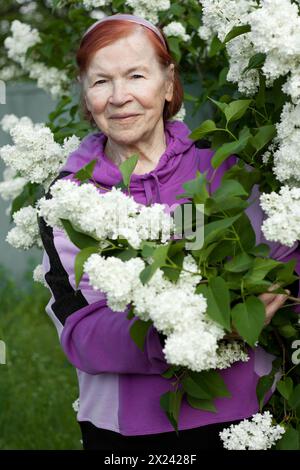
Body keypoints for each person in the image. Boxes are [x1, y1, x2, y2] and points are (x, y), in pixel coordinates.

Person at [37, 13, 300, 451]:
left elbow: (281, 252)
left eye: (136, 75)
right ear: (85, 91)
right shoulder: (68, 199)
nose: (120, 97)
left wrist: (269, 289)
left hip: (247, 416)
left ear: (168, 81)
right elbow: (80, 330)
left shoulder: (222, 167)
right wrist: (175, 330)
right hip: (129, 433)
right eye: (101, 81)